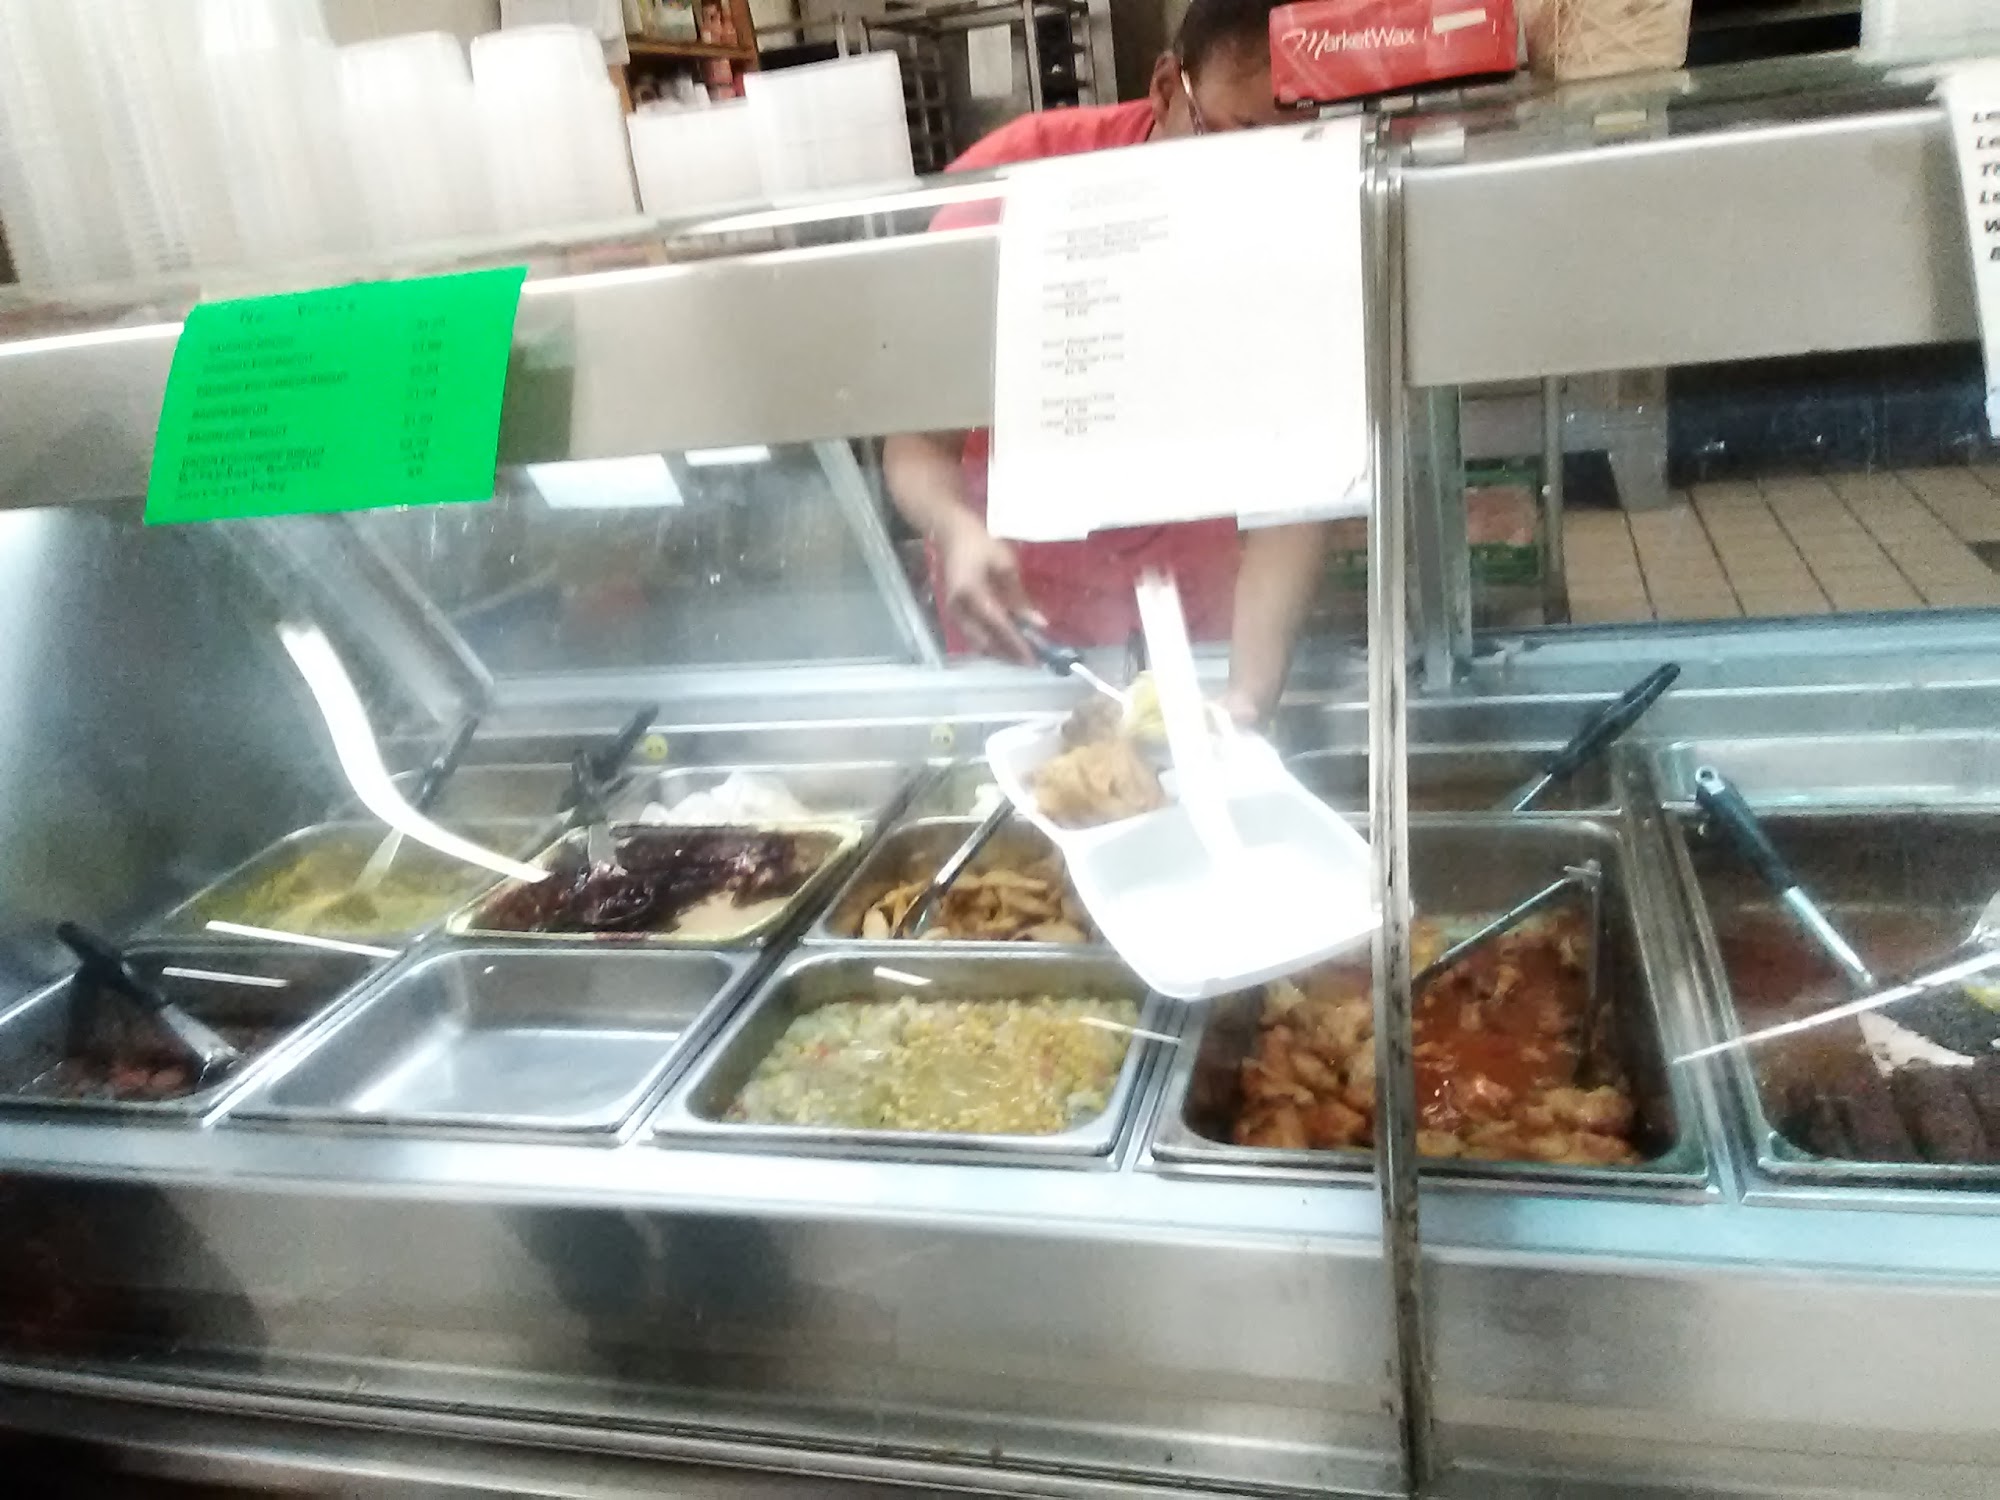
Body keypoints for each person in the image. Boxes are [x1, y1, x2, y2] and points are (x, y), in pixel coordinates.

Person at [883, 0, 1326, 726]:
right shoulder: (1016, 184)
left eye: (1295, 147)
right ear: (1166, 88)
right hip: (1018, 610)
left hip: (1199, 613)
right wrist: (954, 526)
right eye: (1238, 136)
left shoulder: (1299, 213)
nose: (1259, 178)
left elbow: (1297, 478)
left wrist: (1248, 693)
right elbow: (915, 441)